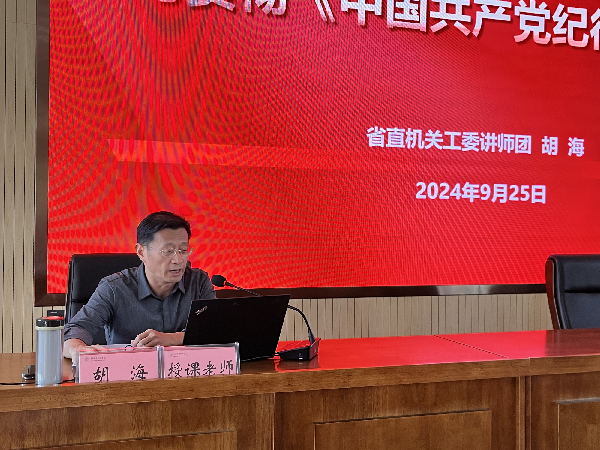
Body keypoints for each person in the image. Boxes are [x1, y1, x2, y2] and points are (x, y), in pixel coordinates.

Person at [63, 211, 216, 359]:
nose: (179, 260)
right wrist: (77, 349)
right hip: (127, 373)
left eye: (183, 250)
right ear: (141, 252)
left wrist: (171, 338)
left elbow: (214, 331)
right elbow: (75, 329)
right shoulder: (114, 288)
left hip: (185, 372)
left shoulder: (198, 282)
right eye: (168, 251)